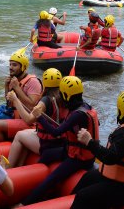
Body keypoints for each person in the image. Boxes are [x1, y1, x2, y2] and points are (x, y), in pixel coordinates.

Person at [18, 76, 99, 206]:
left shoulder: (77, 115)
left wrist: (39, 117)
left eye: (61, 94)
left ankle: (24, 204)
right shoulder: (85, 107)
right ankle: (38, 181)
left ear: (66, 95)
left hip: (80, 159)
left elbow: (56, 132)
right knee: (46, 155)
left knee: (52, 178)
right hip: (72, 151)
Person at [4, 68, 68, 168]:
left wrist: (16, 100)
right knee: (25, 134)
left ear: (44, 83)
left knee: (19, 135)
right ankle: (19, 166)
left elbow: (29, 120)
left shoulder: (46, 101)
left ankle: (8, 167)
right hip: (61, 141)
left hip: (49, 144)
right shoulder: (64, 97)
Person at [0, 52, 43, 142]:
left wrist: (17, 88)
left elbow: (32, 105)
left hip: (29, 121)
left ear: (23, 67)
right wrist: (6, 86)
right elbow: (9, 103)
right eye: (10, 64)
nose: (10, 68)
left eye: (14, 65)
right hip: (14, 115)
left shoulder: (33, 82)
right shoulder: (15, 79)